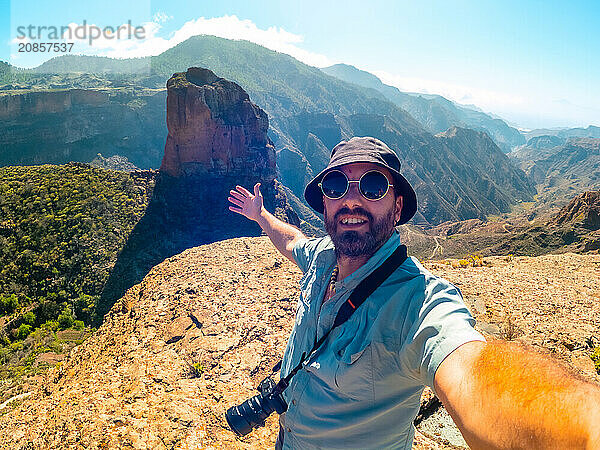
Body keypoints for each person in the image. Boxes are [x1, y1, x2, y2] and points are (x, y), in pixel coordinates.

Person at [228, 136, 600, 449]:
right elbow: (294, 241)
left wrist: (585, 429)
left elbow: (472, 371)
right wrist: (261, 216)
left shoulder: (417, 301)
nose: (352, 200)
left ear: (397, 205)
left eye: (373, 186)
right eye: (336, 186)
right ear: (325, 201)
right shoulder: (323, 255)